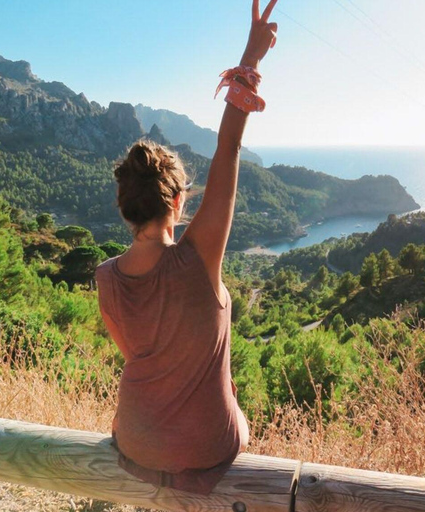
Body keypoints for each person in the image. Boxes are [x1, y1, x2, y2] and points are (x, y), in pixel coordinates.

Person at [95, 0, 279, 495]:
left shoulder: (106, 279)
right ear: (178, 201)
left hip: (132, 442)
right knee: (243, 421)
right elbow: (229, 147)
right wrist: (252, 55)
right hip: (207, 449)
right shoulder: (199, 258)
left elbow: (140, 354)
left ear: (123, 204)